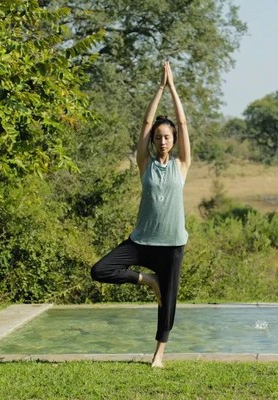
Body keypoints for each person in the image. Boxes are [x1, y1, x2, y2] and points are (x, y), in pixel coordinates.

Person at [90, 61, 190, 368]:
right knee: (100, 270)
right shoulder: (144, 164)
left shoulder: (181, 165)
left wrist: (173, 87)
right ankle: (148, 280)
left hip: (172, 245)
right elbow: (145, 125)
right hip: (142, 241)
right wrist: (159, 88)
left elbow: (184, 125)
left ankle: (158, 355)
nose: (162, 140)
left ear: (173, 141)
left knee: (168, 304)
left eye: (167, 137)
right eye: (158, 136)